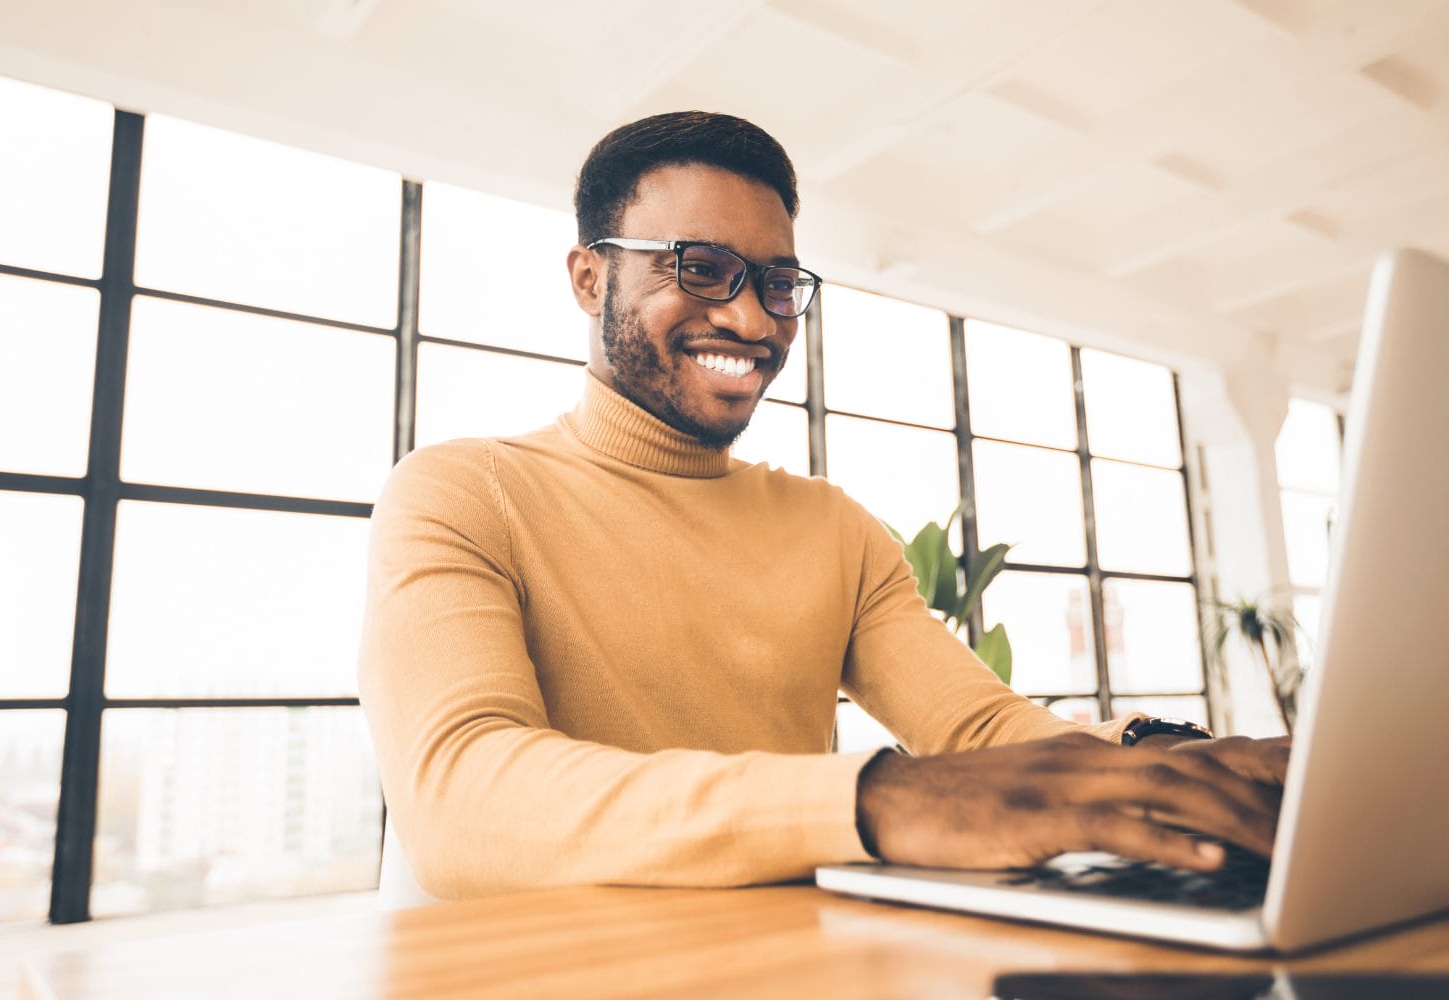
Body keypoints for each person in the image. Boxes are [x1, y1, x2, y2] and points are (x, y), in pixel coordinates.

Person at [358, 111, 1288, 901]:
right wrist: (878, 801)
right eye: (700, 267)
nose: (756, 321)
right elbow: (459, 792)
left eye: (776, 283)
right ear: (590, 278)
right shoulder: (461, 492)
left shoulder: (831, 529)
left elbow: (980, 730)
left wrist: (1172, 759)